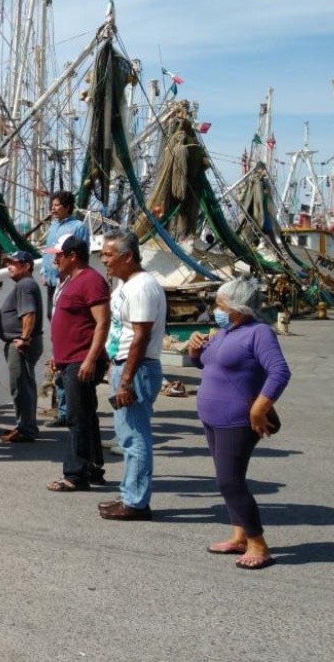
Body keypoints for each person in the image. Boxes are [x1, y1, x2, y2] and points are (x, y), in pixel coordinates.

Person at [187, 278, 290, 569]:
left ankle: (258, 543)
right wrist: (195, 349)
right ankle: (239, 535)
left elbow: (279, 372)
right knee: (228, 480)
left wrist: (259, 408)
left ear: (237, 307)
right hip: (213, 419)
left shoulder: (259, 333)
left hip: (237, 421)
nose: (215, 309)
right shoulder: (224, 332)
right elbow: (208, 364)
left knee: (229, 482)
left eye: (220, 305)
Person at [98, 229, 166, 521]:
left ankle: (136, 502)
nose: (104, 260)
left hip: (136, 369)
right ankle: (130, 493)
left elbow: (140, 336)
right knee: (127, 435)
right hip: (125, 364)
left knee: (135, 437)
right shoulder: (128, 285)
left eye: (109, 255)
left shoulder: (142, 287)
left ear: (128, 256)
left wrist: (126, 379)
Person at [44, 235, 111, 492]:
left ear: (73, 256)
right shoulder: (70, 282)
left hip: (81, 360)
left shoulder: (91, 281)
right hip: (69, 359)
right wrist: (57, 354)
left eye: (58, 255)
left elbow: (102, 322)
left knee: (77, 418)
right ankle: (93, 466)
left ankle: (75, 474)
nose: (55, 260)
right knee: (86, 415)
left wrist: (91, 358)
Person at [42, 191, 90, 427]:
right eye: (52, 205)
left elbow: (83, 254)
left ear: (68, 207)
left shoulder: (78, 227)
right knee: (57, 342)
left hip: (68, 284)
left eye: (57, 205)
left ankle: (68, 410)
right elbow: (48, 256)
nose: (53, 209)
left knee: (69, 345)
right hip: (53, 285)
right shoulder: (53, 228)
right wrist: (46, 274)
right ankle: (62, 408)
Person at [0, 250, 44, 443]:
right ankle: (25, 424)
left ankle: (26, 428)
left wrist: (24, 338)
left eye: (13, 263)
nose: (9, 265)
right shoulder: (26, 285)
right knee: (24, 385)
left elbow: (29, 313)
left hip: (22, 344)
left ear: (26, 266)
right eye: (8, 262)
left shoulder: (25, 285)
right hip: (23, 342)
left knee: (21, 386)